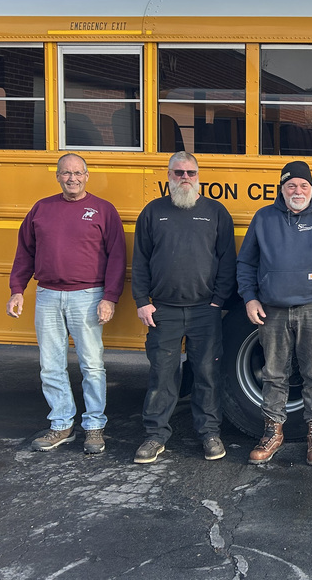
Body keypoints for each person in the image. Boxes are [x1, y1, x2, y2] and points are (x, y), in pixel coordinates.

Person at [7, 153, 125, 455]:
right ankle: (61, 424)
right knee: (50, 365)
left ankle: (94, 425)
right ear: (57, 176)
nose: (72, 178)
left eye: (77, 173)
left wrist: (109, 297)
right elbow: (25, 252)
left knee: (92, 365)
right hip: (47, 294)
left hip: (88, 295)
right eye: (66, 173)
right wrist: (17, 290)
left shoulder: (103, 210)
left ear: (87, 176)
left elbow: (117, 257)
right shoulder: (41, 209)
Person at [238, 161, 312, 467]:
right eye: (291, 186)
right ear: (281, 189)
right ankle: (272, 432)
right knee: (274, 373)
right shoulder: (264, 218)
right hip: (272, 309)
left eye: (303, 185)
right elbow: (246, 262)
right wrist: (250, 298)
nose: (297, 191)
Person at [131, 151, 236, 464]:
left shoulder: (216, 212)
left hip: (205, 309)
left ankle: (210, 434)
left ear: (198, 176)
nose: (185, 178)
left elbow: (227, 260)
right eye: (179, 173)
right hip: (163, 310)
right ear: (169, 176)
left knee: (207, 373)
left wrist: (218, 300)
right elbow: (140, 261)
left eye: (190, 173)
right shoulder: (153, 212)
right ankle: (155, 435)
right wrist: (142, 301)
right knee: (162, 374)